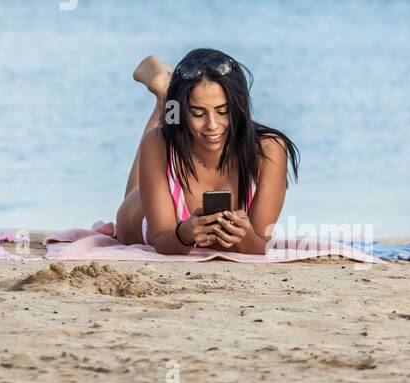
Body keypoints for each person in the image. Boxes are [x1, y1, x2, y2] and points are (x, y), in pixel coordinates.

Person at [114, 50, 299, 255]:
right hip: (140, 221)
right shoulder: (157, 143)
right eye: (198, 113)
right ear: (186, 110)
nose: (212, 125)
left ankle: (169, 99)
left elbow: (259, 246)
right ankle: (165, 101)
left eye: (223, 111)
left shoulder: (269, 151)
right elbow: (161, 240)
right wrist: (184, 234)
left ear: (239, 107)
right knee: (158, 140)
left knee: (164, 135)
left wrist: (246, 237)